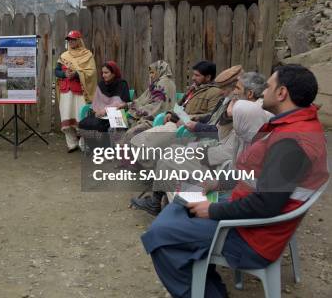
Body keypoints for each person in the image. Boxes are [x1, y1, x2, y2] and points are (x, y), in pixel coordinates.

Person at [141, 64, 328, 298]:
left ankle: (207, 292)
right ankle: (207, 285)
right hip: (249, 217)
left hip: (252, 236)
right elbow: (257, 176)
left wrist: (213, 209)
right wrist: (219, 183)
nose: (263, 92)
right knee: (179, 204)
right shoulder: (298, 125)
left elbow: (267, 204)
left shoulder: (291, 141)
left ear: (282, 93)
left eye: (268, 86)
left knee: (160, 233)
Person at [131, 72, 271, 215]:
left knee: (170, 157)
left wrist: (203, 149)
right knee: (170, 153)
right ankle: (162, 202)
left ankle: (174, 208)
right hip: (219, 157)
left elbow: (232, 152)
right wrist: (225, 116)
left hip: (221, 164)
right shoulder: (235, 104)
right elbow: (222, 135)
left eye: (237, 88)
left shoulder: (250, 112)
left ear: (249, 94)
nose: (233, 91)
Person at [55, 30, 97, 152]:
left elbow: (92, 73)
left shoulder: (87, 55)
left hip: (80, 92)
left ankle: (83, 143)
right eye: (69, 40)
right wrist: (64, 74)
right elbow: (56, 71)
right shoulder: (64, 56)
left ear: (79, 40)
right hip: (66, 91)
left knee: (81, 117)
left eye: (73, 39)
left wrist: (77, 74)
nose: (71, 42)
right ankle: (71, 143)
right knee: (67, 115)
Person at [180, 65, 243, 139]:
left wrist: (197, 126)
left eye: (223, 89)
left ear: (234, 89)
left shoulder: (236, 108)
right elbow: (213, 118)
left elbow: (220, 133)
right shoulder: (225, 99)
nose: (220, 92)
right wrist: (196, 119)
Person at [78, 61, 130, 133]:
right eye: (102, 73)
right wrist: (97, 112)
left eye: (106, 73)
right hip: (100, 115)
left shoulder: (122, 84)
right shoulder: (101, 85)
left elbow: (123, 103)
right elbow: (96, 104)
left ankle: (104, 144)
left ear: (114, 73)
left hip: (115, 115)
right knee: (83, 123)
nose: (103, 75)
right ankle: (90, 144)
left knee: (100, 125)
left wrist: (106, 110)